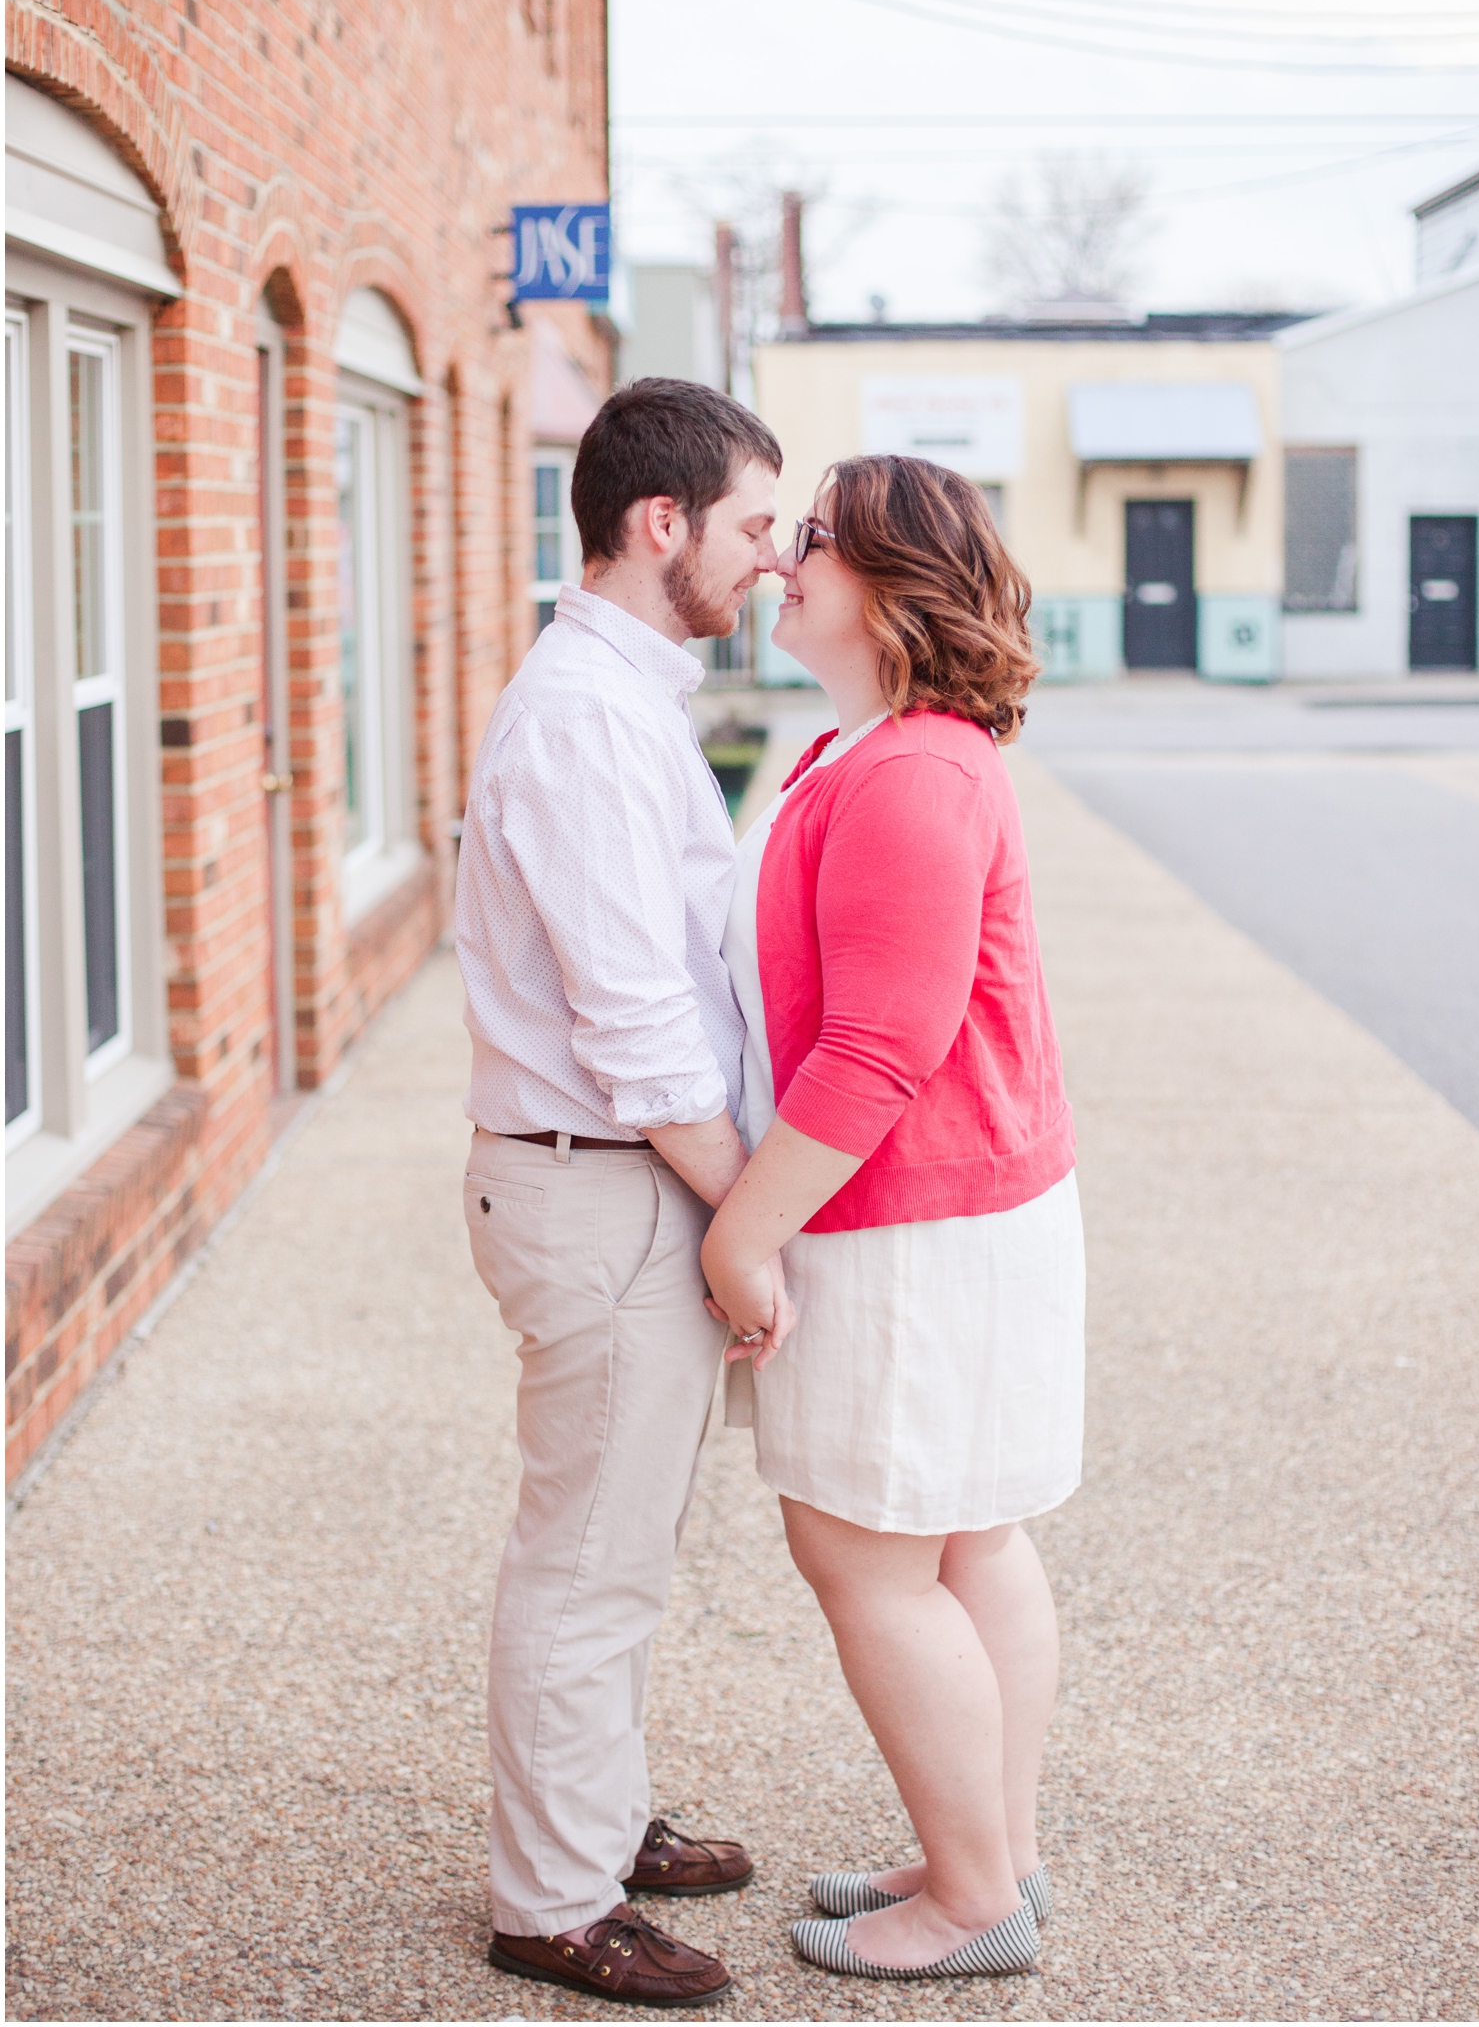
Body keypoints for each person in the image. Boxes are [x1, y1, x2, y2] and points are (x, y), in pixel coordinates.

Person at [702, 454, 1084, 1984]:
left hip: (910, 1224)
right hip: (951, 1214)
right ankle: (987, 1852)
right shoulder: (865, 746)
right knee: (960, 1536)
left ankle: (974, 1896)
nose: (785, 558)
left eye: (813, 540)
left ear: (885, 580)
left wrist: (742, 1229)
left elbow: (879, 1046)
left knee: (869, 1556)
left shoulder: (913, 773)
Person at [456, 377, 793, 2009]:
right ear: (660, 523)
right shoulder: (589, 716)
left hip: (622, 1182)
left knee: (625, 1537)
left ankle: (592, 1819)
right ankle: (554, 1901)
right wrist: (746, 1220)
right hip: (608, 1187)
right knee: (587, 1557)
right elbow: (638, 1026)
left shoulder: (629, 694)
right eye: (750, 527)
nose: (771, 561)